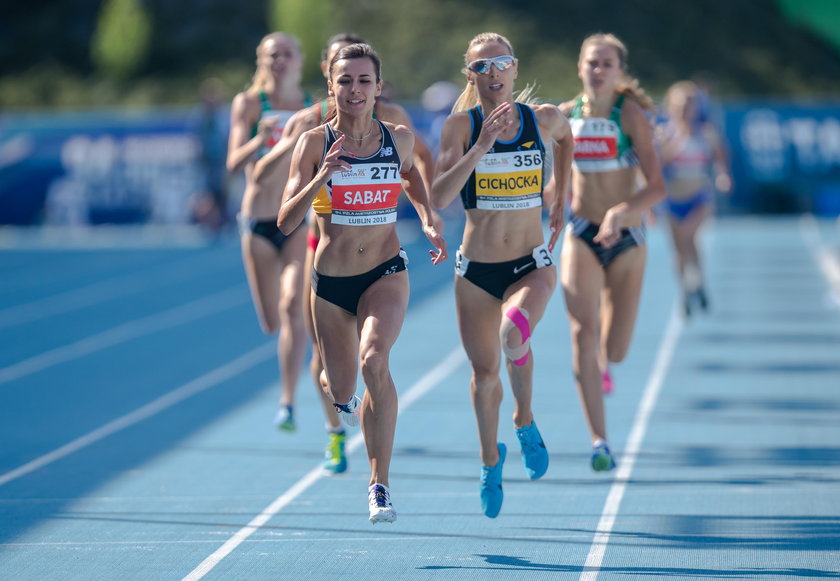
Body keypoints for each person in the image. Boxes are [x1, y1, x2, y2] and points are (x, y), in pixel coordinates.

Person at [277, 43, 447, 523]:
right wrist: (321, 178)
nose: (355, 90)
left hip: (385, 271)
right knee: (340, 387)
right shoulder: (313, 143)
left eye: (364, 81)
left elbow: (412, 178)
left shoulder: (398, 138)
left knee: (376, 360)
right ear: (331, 86)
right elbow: (287, 221)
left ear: (378, 87)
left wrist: (428, 218)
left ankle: (379, 485)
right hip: (331, 285)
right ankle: (336, 391)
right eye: (345, 81)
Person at [430, 32, 573, 518]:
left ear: (514, 70)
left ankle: (525, 419)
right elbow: (439, 196)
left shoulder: (543, 118)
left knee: (515, 335)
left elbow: (567, 139)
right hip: (476, 272)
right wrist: (481, 146)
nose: (492, 74)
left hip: (530, 263)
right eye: (481, 67)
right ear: (470, 76)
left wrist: (561, 197)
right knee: (485, 373)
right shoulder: (459, 127)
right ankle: (491, 460)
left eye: (501, 64)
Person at [558, 33, 665, 469]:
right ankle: (599, 440)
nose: (597, 70)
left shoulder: (630, 115)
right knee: (581, 332)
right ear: (580, 67)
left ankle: (606, 359)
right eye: (591, 62)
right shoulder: (564, 117)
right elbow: (553, 180)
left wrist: (622, 211)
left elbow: (657, 187)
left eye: (606, 64)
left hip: (627, 239)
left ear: (620, 72)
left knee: (615, 350)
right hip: (581, 232)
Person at [225, 32, 313, 444]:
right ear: (262, 60)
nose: (280, 60)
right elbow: (233, 162)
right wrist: (262, 138)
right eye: (272, 54)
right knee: (270, 322)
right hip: (258, 222)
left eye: (287, 54)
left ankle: (288, 401)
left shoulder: (313, 107)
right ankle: (288, 391)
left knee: (294, 305)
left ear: (300, 60)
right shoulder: (248, 103)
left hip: (297, 221)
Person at [659, 80, 731, 317]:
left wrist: (723, 175)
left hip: (699, 194)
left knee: (690, 235)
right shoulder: (665, 134)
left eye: (690, 105)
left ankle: (697, 280)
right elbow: (656, 165)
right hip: (672, 198)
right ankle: (687, 290)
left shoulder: (706, 132)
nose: (685, 111)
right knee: (680, 249)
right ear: (671, 107)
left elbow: (720, 155)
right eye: (681, 106)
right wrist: (675, 143)